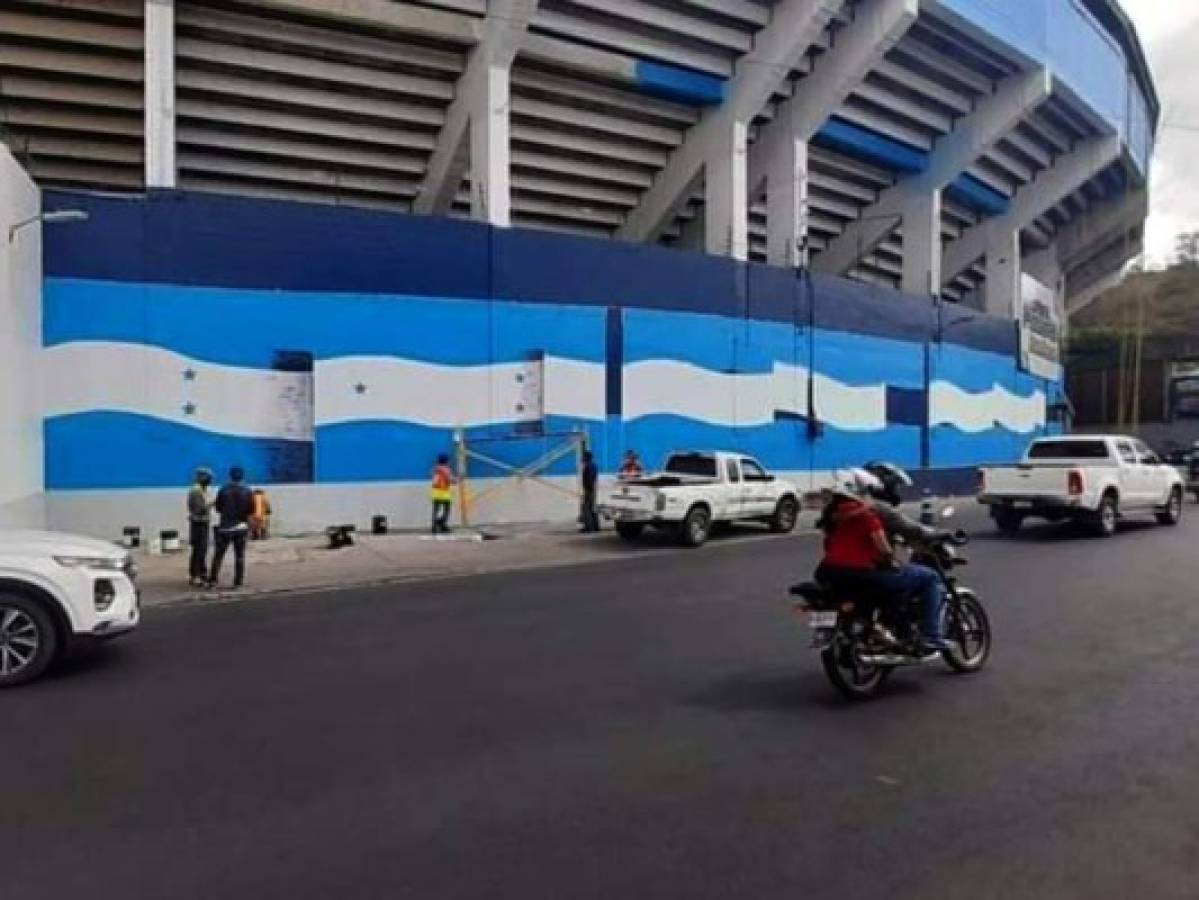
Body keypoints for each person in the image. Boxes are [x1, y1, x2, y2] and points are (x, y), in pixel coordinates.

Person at [816, 469, 951, 654]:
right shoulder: (871, 512)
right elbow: (894, 540)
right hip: (863, 572)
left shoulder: (831, 515)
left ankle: (889, 626)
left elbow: (830, 543)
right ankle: (931, 636)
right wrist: (892, 560)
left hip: (828, 572)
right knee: (929, 577)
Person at [207, 466, 254, 590]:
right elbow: (251, 510)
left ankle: (213, 581)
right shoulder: (248, 491)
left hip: (225, 527)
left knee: (218, 555)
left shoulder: (223, 490)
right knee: (239, 556)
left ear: (230, 476)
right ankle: (238, 583)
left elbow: (218, 508)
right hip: (241, 527)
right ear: (242, 476)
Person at [186, 467, 214, 587]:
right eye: (208, 478)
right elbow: (199, 509)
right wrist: (212, 503)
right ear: (202, 477)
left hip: (202, 522)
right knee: (199, 550)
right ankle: (195, 575)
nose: (210, 480)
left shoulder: (202, 490)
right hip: (199, 524)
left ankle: (201, 573)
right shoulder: (196, 491)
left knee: (202, 550)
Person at [430, 454, 455, 535]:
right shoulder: (446, 470)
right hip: (444, 492)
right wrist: (456, 480)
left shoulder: (434, 469)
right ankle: (441, 523)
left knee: (435, 510)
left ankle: (434, 526)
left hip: (435, 492)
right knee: (447, 510)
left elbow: (433, 478)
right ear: (446, 461)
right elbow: (450, 479)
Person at [579, 450, 600, 533]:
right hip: (592, 490)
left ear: (587, 458)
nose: (582, 459)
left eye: (583, 457)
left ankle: (589, 527)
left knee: (586, 508)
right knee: (592, 509)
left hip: (589, 490)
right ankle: (595, 527)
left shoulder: (588, 466)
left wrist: (587, 490)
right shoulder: (594, 466)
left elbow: (589, 480)